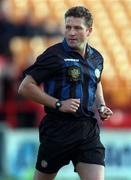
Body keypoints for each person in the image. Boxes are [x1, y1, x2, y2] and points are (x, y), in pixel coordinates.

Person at [18, 6, 113, 180]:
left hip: (87, 129)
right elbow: (25, 87)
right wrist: (59, 104)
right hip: (57, 129)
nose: (71, 32)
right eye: (68, 27)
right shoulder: (54, 55)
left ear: (89, 31)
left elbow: (96, 81)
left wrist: (101, 105)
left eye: (77, 28)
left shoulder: (96, 58)